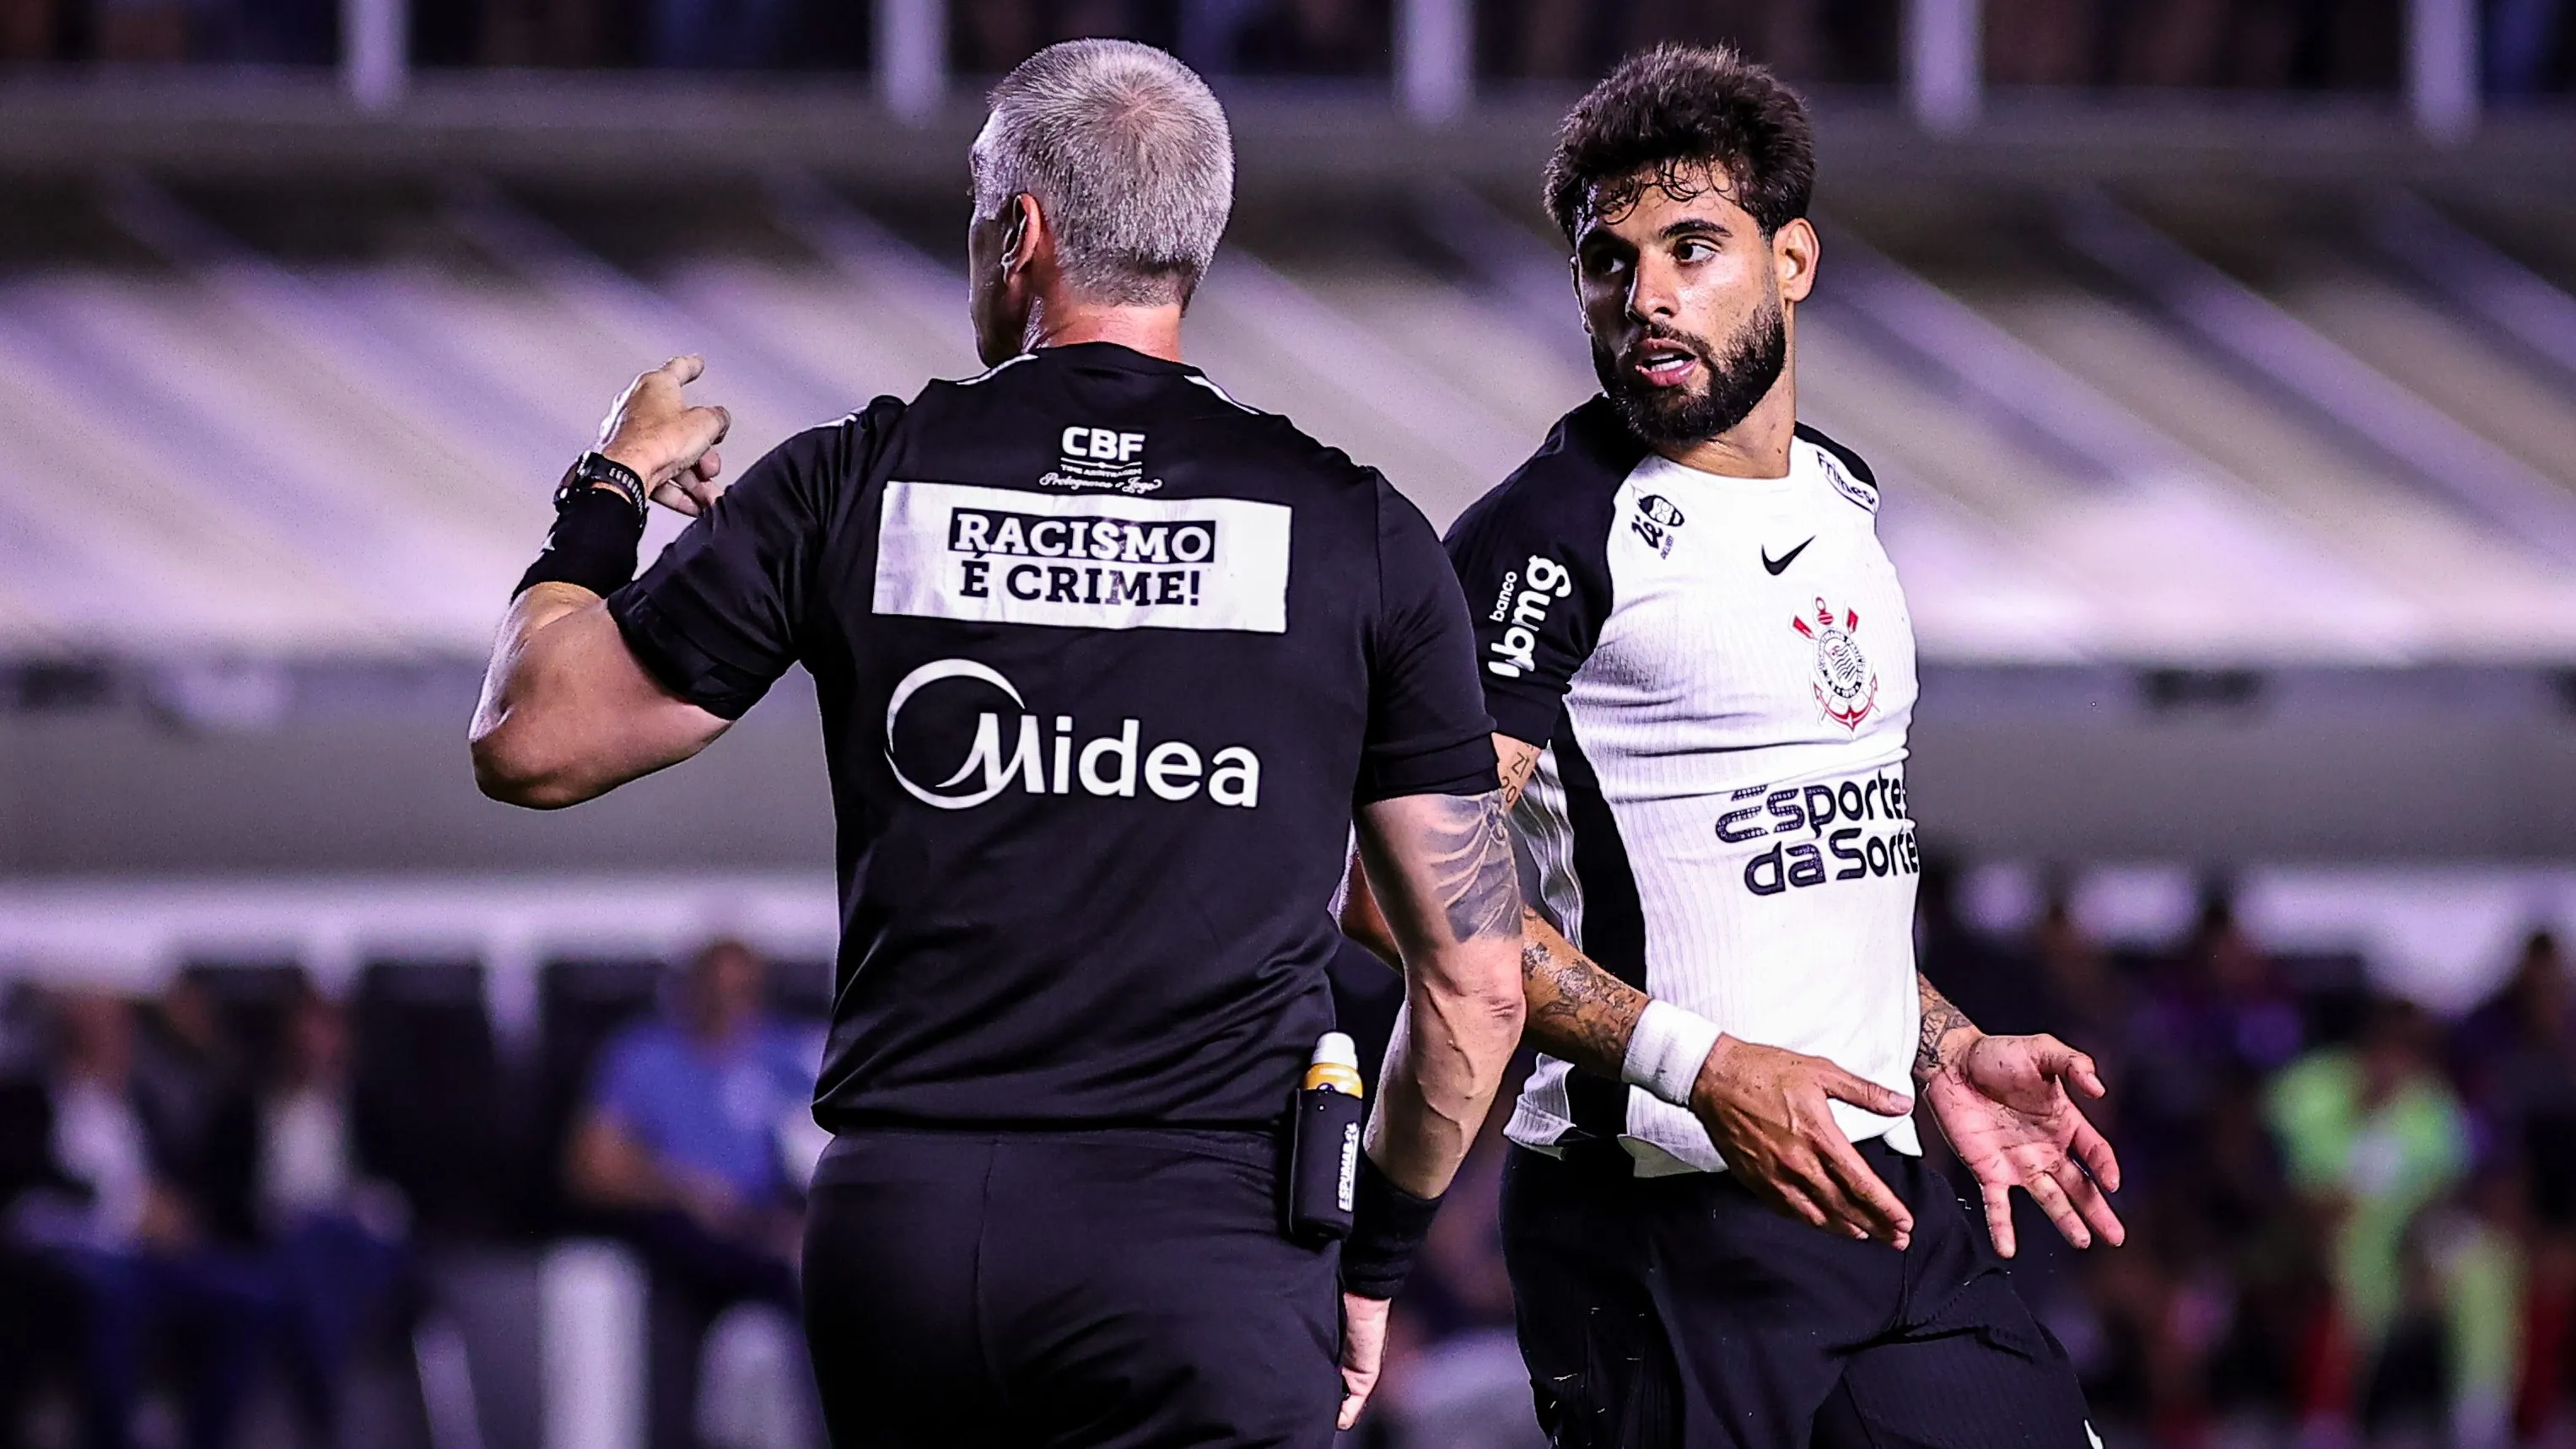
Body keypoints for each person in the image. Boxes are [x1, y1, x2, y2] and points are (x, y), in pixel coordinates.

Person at [468, 38, 1526, 1449]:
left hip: (910, 1251)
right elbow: (1472, 991)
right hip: (1204, 1253)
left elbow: (531, 739)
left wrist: (605, 487)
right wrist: (1375, 1264)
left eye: (976, 200)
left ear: (1020, 232)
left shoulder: (852, 480)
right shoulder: (1357, 531)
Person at [1401, 45, 2126, 1446]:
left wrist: (1945, 1045)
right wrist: (1705, 1065)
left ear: (1790, 259)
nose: (1646, 295)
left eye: (1691, 246)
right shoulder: (1537, 538)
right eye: (1605, 263)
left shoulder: (1843, 494)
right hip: (1663, 1237)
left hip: (1890, 1199)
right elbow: (1403, 897)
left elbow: (1800, 874)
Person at [565, 940, 817, 1449]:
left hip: (772, 1232)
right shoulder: (645, 1055)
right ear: (689, 992)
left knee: (825, 1291)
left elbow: (826, 1145)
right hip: (679, 1233)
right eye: (716, 993)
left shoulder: (787, 1054)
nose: (730, 1007)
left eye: (743, 993)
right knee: (671, 1325)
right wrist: (681, 1188)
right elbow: (589, 1165)